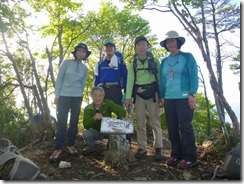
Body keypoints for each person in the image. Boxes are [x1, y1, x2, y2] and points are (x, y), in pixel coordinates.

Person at [159, 30, 199, 169]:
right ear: (166, 45)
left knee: (185, 126)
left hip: (184, 97)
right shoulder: (164, 62)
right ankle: (176, 154)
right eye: (168, 41)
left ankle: (190, 157)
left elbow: (194, 76)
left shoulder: (187, 57)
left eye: (173, 40)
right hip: (169, 98)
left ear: (178, 42)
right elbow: (162, 81)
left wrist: (192, 94)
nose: (170, 43)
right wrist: (162, 97)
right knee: (172, 127)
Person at [49, 43, 91, 163]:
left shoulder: (85, 69)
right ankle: (58, 148)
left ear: (85, 55)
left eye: (83, 52)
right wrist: (57, 95)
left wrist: (80, 94)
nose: (81, 53)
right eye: (79, 50)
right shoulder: (66, 62)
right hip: (64, 96)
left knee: (74, 122)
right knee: (62, 122)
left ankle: (70, 145)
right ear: (75, 52)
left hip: (77, 97)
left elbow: (82, 84)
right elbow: (59, 78)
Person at [125, 36, 164, 161]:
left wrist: (161, 96)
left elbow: (160, 79)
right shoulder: (133, 63)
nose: (141, 47)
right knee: (140, 122)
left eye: (143, 44)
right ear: (135, 48)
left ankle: (158, 148)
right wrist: (128, 97)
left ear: (147, 46)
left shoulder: (154, 60)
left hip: (153, 94)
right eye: (138, 45)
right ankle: (142, 148)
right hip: (138, 95)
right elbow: (130, 80)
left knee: (155, 121)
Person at [82, 86, 126, 153]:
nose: (97, 98)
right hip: (95, 132)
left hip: (107, 130)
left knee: (119, 128)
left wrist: (115, 121)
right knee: (86, 134)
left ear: (103, 96)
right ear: (92, 97)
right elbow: (86, 125)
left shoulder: (108, 103)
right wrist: (94, 118)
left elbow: (122, 112)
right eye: (95, 96)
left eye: (100, 95)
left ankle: (111, 148)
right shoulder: (87, 108)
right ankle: (92, 146)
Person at [94, 40, 127, 106]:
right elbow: (97, 79)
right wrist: (95, 92)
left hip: (116, 90)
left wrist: (126, 92)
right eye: (107, 47)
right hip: (103, 90)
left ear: (114, 49)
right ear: (104, 50)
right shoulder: (100, 63)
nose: (109, 49)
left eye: (111, 47)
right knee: (103, 113)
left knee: (120, 112)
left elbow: (125, 77)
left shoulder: (120, 62)